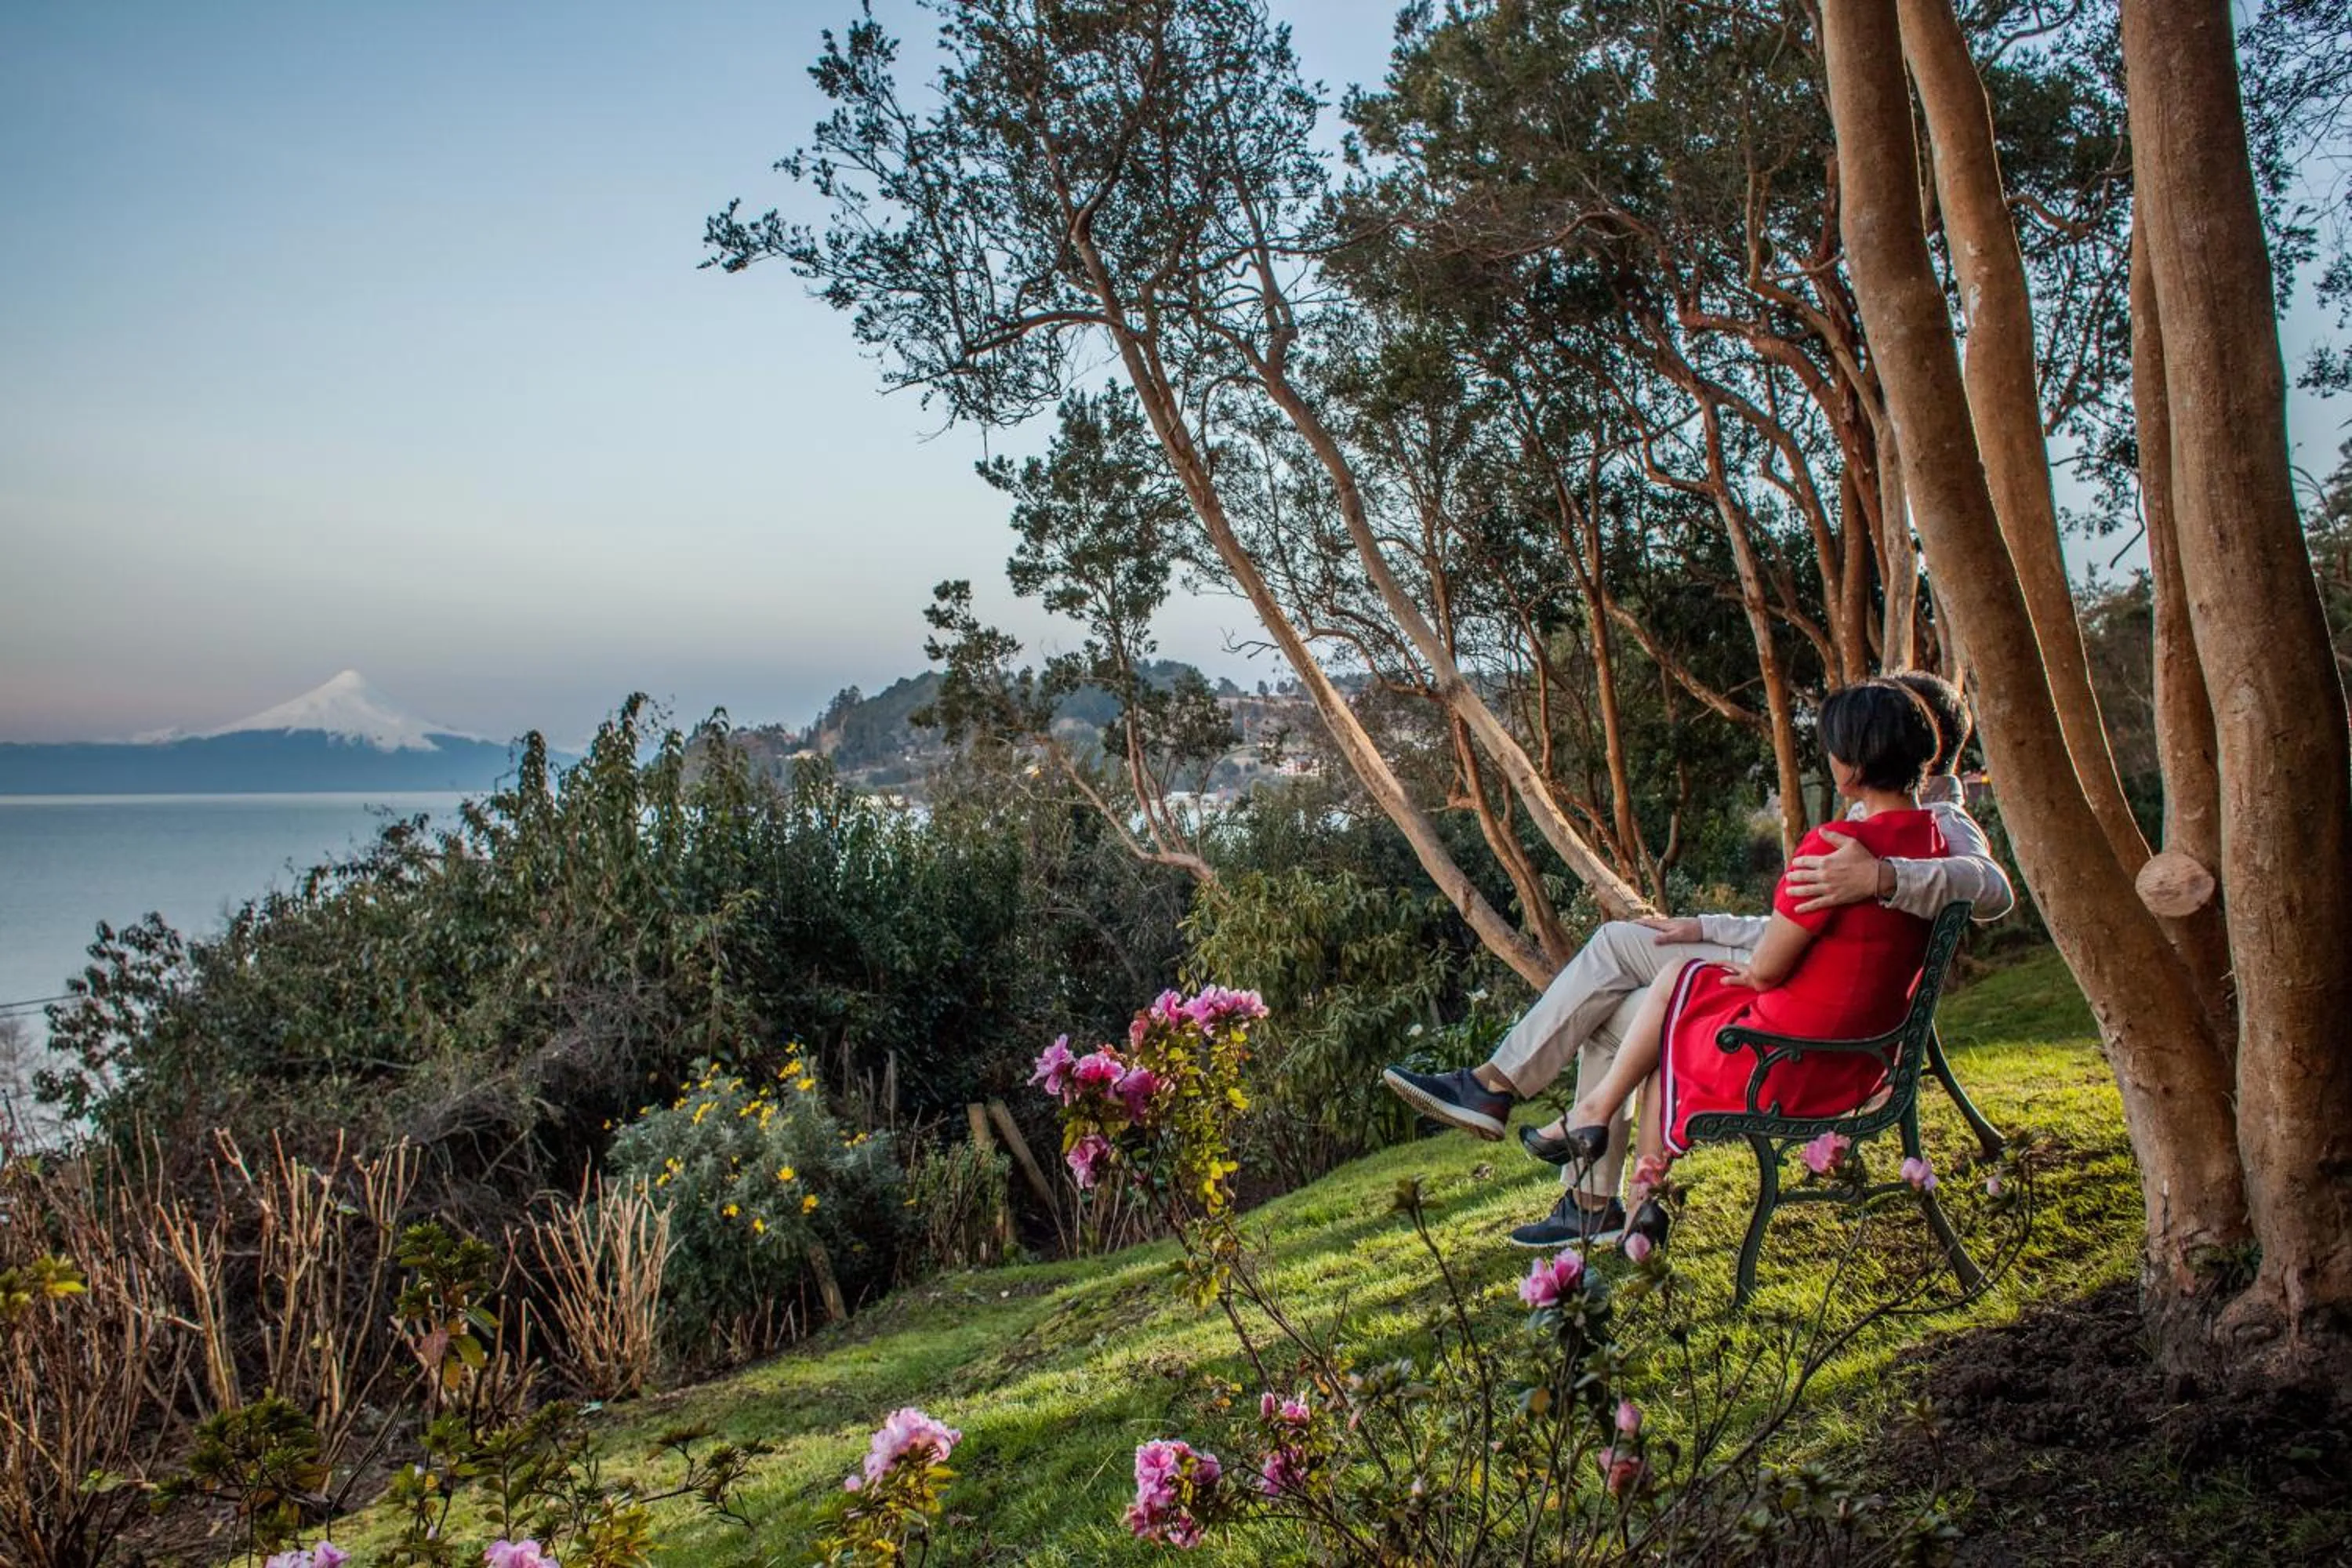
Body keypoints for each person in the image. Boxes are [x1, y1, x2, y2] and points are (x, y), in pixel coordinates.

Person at [1381, 671, 2011, 1248]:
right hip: (1814, 974)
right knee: (1620, 955)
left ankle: (1569, 1170)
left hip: (1811, 1017)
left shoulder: (1941, 823)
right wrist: (1704, 925)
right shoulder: (1896, 824)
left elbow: (1990, 888)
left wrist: (1880, 877)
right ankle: (1540, 1138)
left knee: (1629, 1003)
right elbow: (1819, 921)